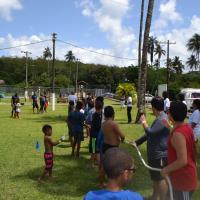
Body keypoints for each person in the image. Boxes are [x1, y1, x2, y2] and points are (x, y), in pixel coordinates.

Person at [135, 97, 170, 200]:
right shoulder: (160, 118)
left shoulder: (162, 119)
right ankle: (154, 197)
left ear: (153, 107)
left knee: (160, 178)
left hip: (159, 155)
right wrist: (137, 142)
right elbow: (151, 135)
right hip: (156, 155)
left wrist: (143, 122)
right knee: (156, 178)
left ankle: (163, 198)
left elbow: (150, 132)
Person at [161, 101, 197, 200]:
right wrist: (169, 126)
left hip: (184, 180)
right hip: (177, 177)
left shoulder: (178, 134)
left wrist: (165, 169)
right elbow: (178, 134)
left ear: (170, 114)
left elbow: (183, 160)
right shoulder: (185, 127)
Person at [89, 100, 103, 166]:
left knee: (94, 150)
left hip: (94, 135)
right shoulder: (97, 116)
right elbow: (98, 126)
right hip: (96, 135)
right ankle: (97, 163)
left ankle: (93, 163)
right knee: (96, 150)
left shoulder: (95, 115)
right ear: (100, 108)